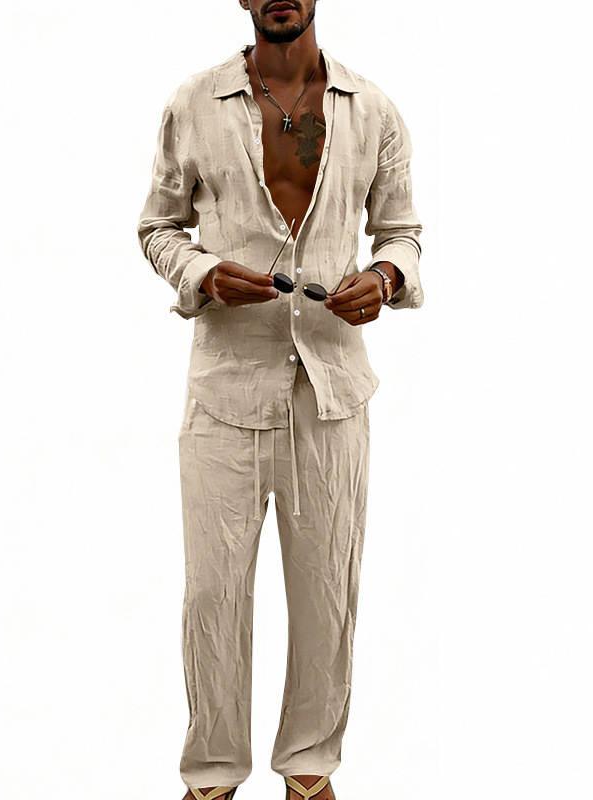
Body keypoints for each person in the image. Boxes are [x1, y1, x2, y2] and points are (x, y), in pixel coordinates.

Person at [137, 2, 423, 799]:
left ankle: (309, 769)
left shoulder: (373, 110)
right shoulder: (194, 103)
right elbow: (158, 227)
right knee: (213, 594)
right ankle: (212, 775)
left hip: (332, 394)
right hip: (225, 390)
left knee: (328, 591)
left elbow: (401, 232)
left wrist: (386, 277)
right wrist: (201, 273)